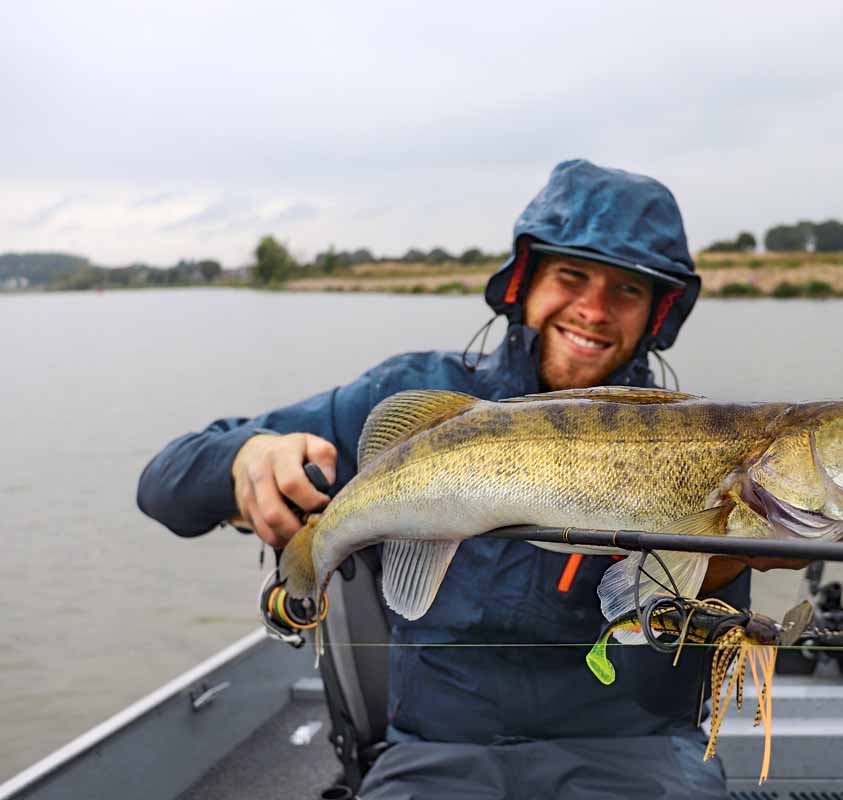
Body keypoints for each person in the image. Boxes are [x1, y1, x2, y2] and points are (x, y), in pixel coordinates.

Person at [138, 159, 773, 799]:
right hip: (437, 752)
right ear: (524, 280)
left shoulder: (702, 447)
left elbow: (673, 699)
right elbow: (164, 486)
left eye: (628, 291)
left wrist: (717, 570)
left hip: (635, 751)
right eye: (572, 276)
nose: (594, 311)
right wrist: (246, 457)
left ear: (657, 313)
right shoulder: (410, 397)